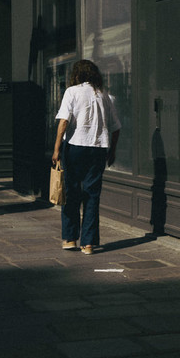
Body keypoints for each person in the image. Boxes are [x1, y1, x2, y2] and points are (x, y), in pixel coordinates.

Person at [51, 59, 121, 255]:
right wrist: (112, 151)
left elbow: (64, 122)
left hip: (74, 146)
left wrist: (56, 149)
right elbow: (116, 128)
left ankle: (69, 238)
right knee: (92, 194)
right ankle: (88, 243)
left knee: (71, 191)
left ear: (77, 74)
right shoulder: (106, 96)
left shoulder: (72, 92)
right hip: (98, 149)